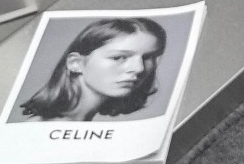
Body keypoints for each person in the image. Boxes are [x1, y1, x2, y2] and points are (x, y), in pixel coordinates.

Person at [18, 16, 167, 121]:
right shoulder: (47, 127)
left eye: (148, 57)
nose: (139, 68)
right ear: (75, 63)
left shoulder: (79, 123)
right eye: (119, 57)